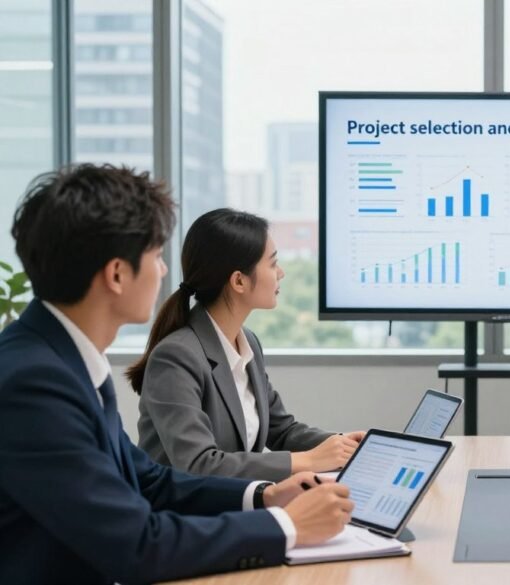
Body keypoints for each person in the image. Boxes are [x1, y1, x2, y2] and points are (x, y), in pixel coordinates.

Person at [0, 164, 354, 584]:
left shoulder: (61, 361)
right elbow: (138, 545)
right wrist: (288, 526)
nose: (165, 272)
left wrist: (265, 496)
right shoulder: (34, 383)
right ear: (117, 274)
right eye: (155, 256)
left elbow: (149, 482)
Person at [130, 208, 364, 481]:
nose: (281, 273)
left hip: (228, 507)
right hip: (179, 516)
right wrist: (309, 460)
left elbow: (282, 430)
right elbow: (199, 465)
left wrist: (344, 446)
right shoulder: (176, 357)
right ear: (239, 280)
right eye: (273, 263)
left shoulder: (247, 342)